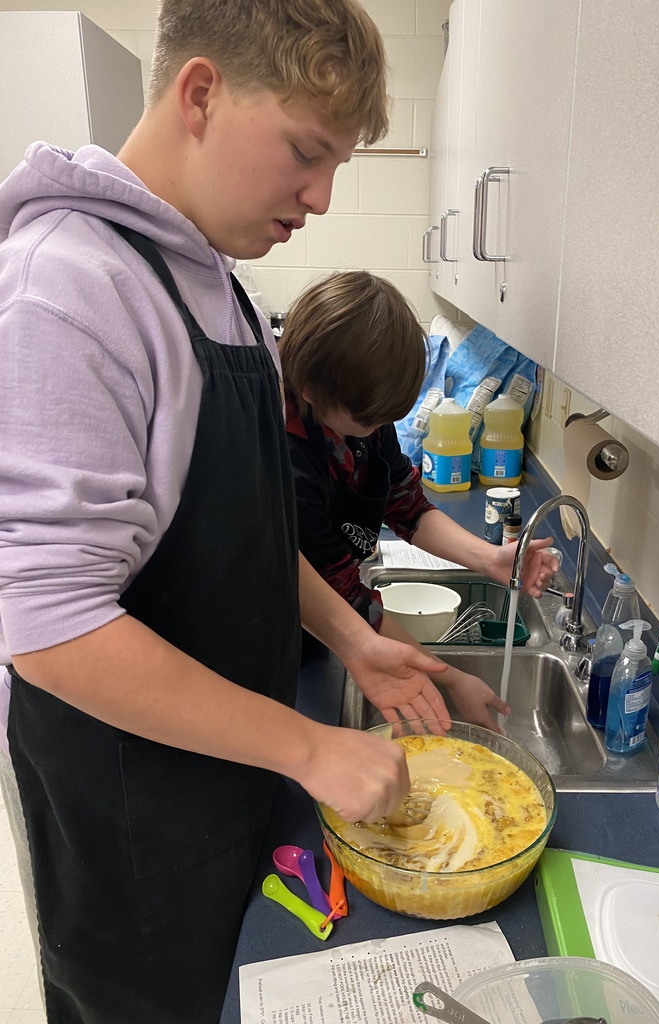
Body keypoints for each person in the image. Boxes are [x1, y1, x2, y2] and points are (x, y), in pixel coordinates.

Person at [0, 3, 455, 1022]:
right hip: (135, 815)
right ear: (200, 92)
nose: (323, 197)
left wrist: (352, 638)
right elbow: (52, 629)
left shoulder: (216, 284)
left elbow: (243, 533)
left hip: (225, 771)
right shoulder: (70, 287)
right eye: (306, 151)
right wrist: (309, 746)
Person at [279, 271, 559, 730]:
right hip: (284, 633)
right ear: (310, 389)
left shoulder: (363, 420)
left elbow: (406, 505)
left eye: (386, 418)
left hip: (337, 627)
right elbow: (345, 599)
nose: (378, 429)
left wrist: (492, 561)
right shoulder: (286, 461)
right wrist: (450, 677)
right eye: (368, 420)